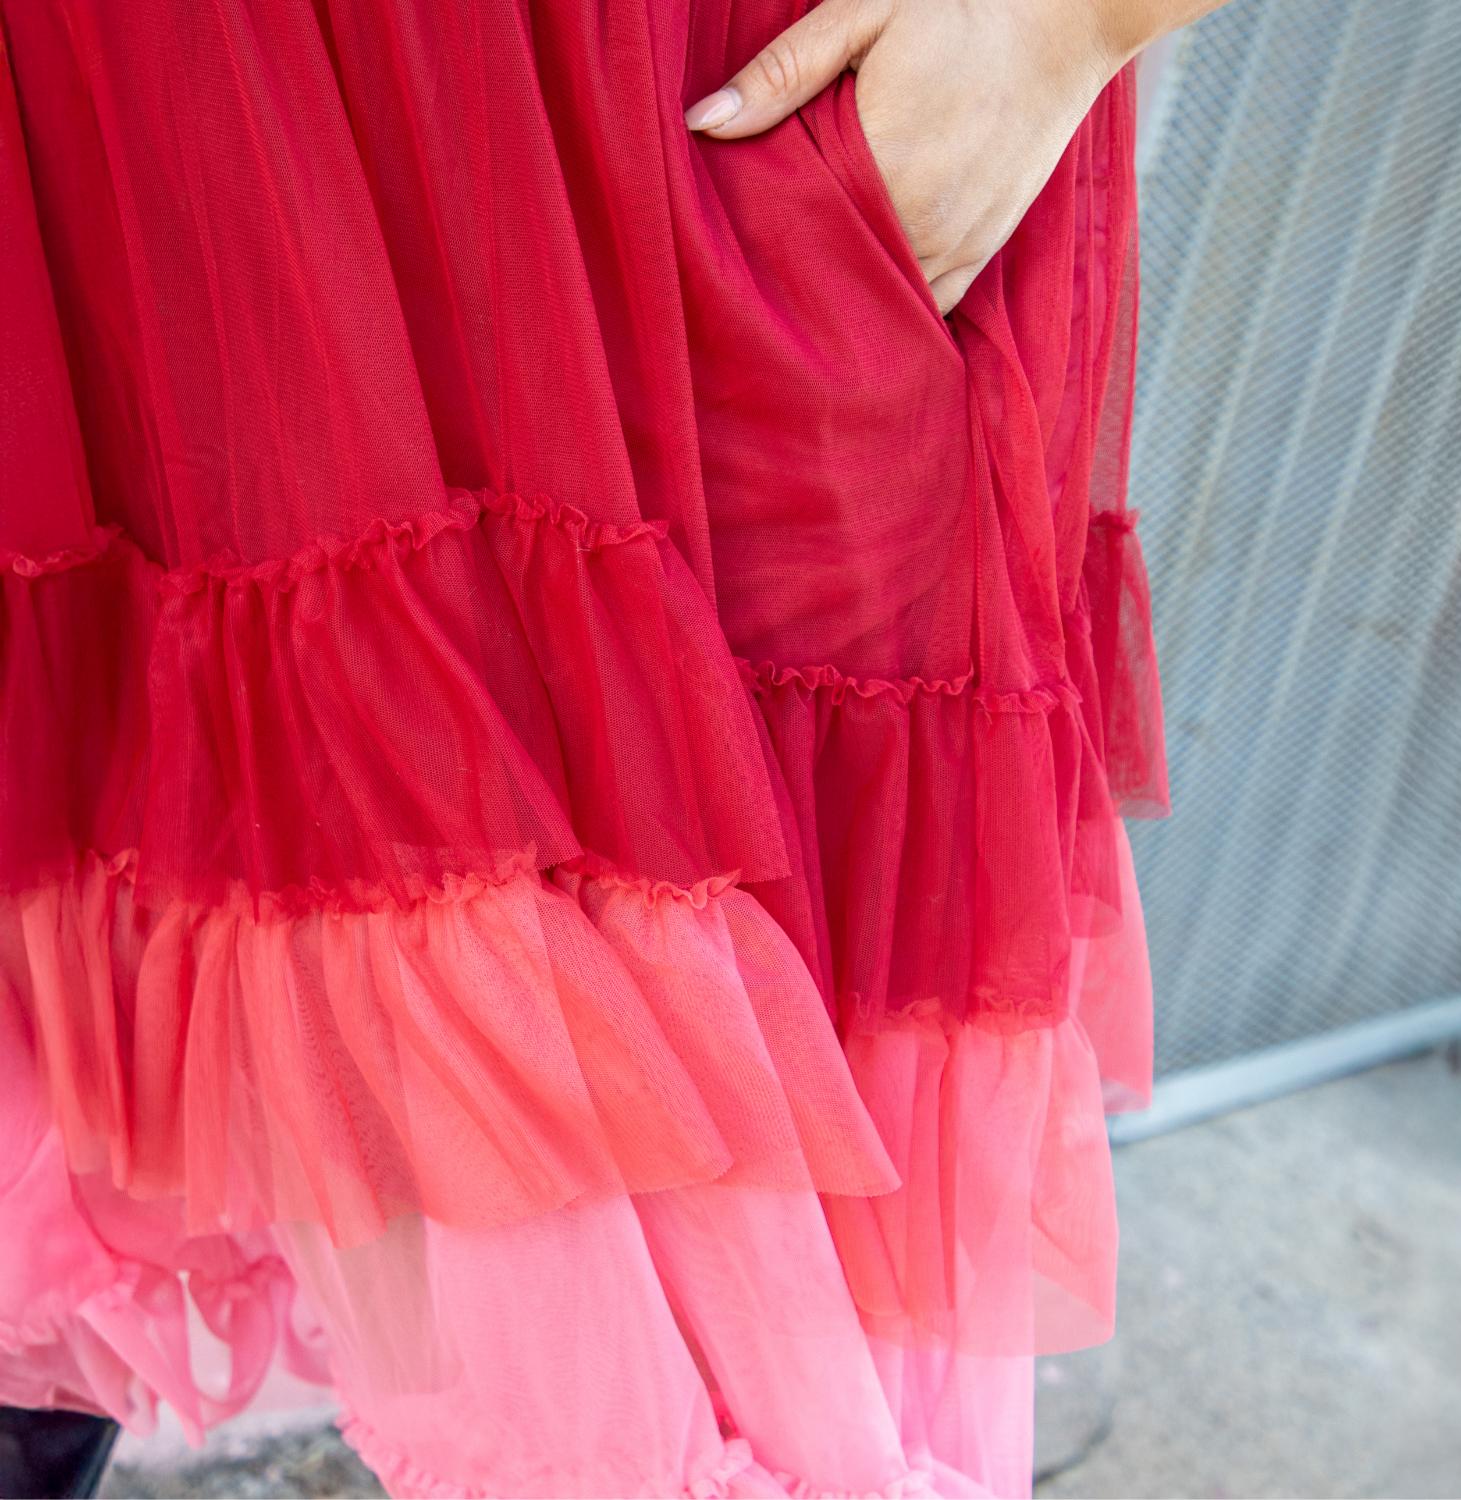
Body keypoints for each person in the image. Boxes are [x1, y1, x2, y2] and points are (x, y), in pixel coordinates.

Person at [0, 0, 1221, 1494]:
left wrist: (1064, 20)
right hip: (127, 88)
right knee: (78, 874)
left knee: (716, 1317)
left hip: (653, 128)